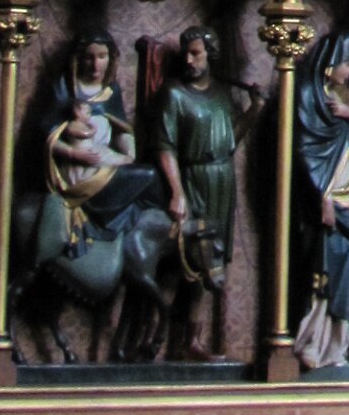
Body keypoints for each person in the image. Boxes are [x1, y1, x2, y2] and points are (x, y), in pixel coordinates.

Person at [153, 27, 251, 346]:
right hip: (192, 178)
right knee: (194, 257)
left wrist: (255, 110)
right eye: (186, 54)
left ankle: (192, 340)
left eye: (196, 53)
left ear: (210, 55)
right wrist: (176, 191)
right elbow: (165, 146)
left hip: (221, 179)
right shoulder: (174, 93)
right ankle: (183, 341)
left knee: (213, 259)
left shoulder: (221, 94)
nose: (189, 60)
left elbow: (230, 142)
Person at [295, 30, 349, 367]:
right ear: (331, 61)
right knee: (321, 274)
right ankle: (310, 343)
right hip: (326, 203)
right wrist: (322, 197)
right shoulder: (308, 97)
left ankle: (336, 346)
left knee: (347, 280)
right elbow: (304, 152)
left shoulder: (339, 101)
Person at [42, 33, 162, 241]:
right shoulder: (64, 90)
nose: (96, 64)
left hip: (102, 160)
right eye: (89, 57)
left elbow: (121, 128)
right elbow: (48, 136)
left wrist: (129, 155)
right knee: (149, 176)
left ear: (111, 59)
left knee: (148, 175)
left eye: (102, 56)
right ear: (78, 59)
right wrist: (74, 154)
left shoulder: (110, 92)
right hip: (77, 169)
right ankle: (103, 218)